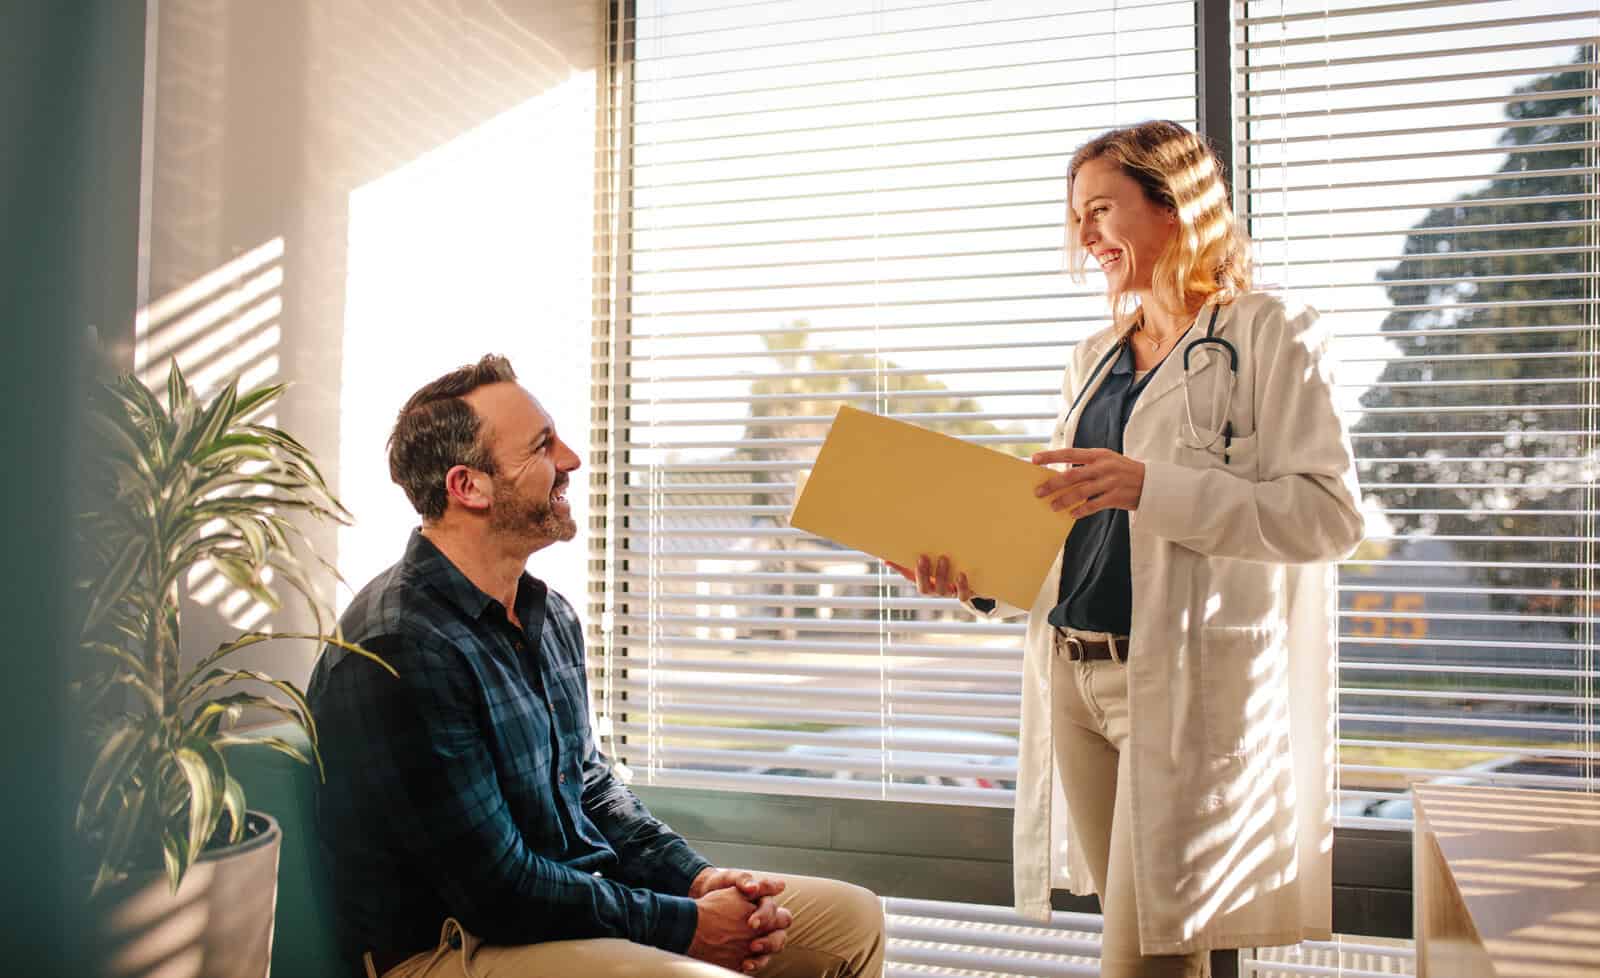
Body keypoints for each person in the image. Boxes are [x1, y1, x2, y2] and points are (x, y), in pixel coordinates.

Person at [890, 121, 1363, 977]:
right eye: (1077, 217)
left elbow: (1327, 517)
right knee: (1167, 945)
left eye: (1102, 210)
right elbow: (1075, 522)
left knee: (1148, 959)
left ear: (1174, 207)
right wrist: (974, 576)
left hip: (1183, 681)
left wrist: (1154, 486)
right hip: (1075, 673)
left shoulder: (1270, 332)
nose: (1085, 238)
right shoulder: (1093, 358)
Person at [308, 355, 885, 978]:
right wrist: (685, 927)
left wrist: (696, 880)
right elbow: (496, 889)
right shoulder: (400, 646)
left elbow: (590, 789)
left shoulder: (548, 615)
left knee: (853, 918)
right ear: (467, 486)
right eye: (542, 446)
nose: (571, 459)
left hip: (558, 913)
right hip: (446, 948)